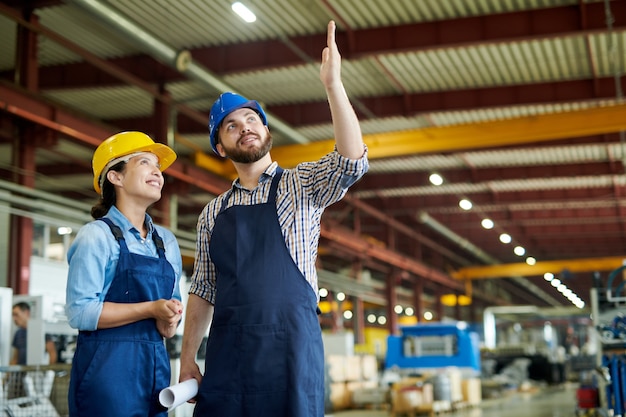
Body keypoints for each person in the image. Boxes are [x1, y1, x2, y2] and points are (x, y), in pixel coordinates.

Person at [179, 20, 369, 416]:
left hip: (291, 353)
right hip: (229, 357)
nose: (243, 127)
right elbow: (203, 290)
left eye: (251, 119)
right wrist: (186, 358)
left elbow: (350, 161)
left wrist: (333, 85)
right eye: (231, 126)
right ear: (220, 146)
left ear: (265, 130)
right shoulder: (213, 213)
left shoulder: (298, 187)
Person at [65, 131, 184, 417]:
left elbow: (169, 321)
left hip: (154, 373)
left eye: (158, 166)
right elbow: (80, 312)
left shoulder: (166, 242)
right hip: (107, 375)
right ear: (115, 177)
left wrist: (169, 319)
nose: (157, 172)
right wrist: (151, 309)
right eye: (144, 162)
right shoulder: (96, 236)